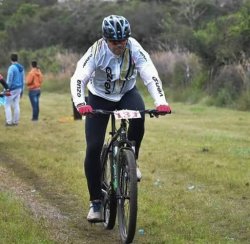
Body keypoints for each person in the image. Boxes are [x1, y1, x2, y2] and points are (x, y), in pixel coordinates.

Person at [70, 15, 171, 222]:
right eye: (115, 42)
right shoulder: (96, 51)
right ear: (106, 39)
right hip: (99, 97)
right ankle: (96, 203)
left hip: (126, 93)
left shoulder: (134, 47)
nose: (120, 45)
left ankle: (132, 157)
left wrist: (161, 101)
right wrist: (81, 103)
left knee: (139, 116)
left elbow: (148, 72)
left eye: (123, 40)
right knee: (93, 147)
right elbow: (79, 77)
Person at [4, 53, 24, 126]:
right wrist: (22, 90)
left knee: (7, 104)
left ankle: (9, 122)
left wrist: (6, 89)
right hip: (19, 89)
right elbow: (22, 80)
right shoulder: (21, 68)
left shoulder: (11, 68)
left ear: (11, 59)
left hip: (11, 89)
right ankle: (15, 122)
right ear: (17, 59)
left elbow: (9, 80)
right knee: (16, 105)